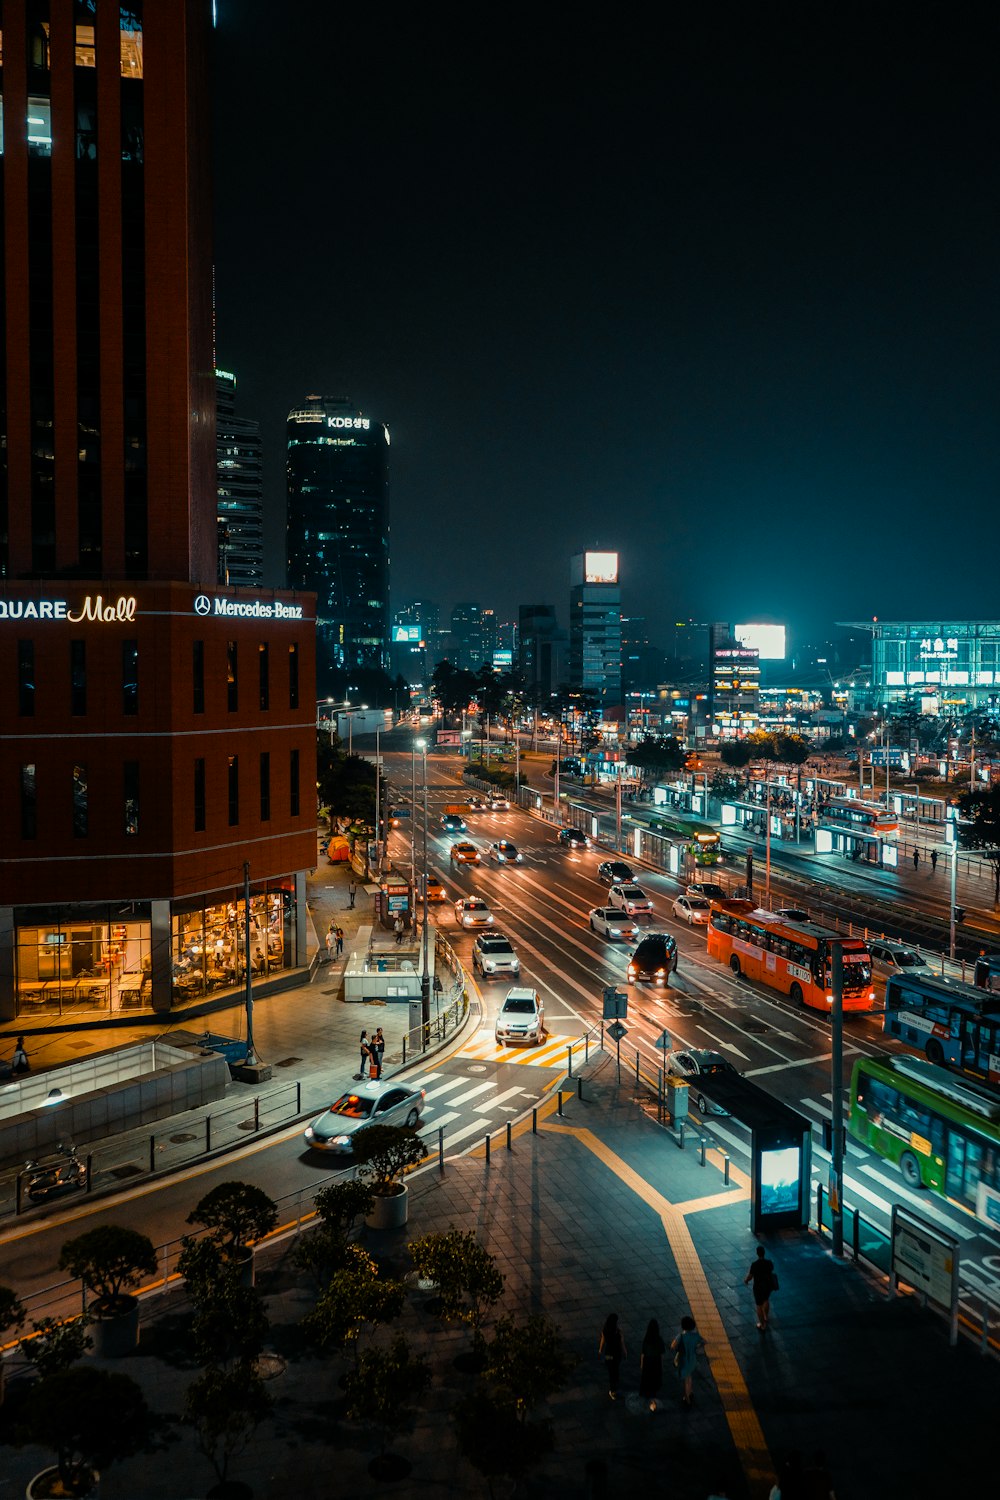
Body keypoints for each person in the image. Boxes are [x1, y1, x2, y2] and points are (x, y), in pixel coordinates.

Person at [671, 1314, 705, 1407]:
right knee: (689, 1377)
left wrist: (679, 1349)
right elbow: (703, 1342)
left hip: (684, 1361)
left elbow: (673, 1346)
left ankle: (687, 1399)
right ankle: (690, 1392)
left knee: (686, 1380)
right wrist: (696, 1347)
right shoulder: (696, 1335)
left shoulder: (681, 1336)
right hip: (692, 1360)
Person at [745, 1244, 776, 1331]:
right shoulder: (769, 1263)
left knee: (759, 1305)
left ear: (757, 1253)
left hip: (758, 1287)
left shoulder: (754, 1264)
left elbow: (750, 1276)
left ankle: (762, 1325)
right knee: (766, 1300)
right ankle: (766, 1317)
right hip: (767, 1285)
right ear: (764, 1253)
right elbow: (771, 1270)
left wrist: (746, 1280)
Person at [639, 1317, 665, 1410]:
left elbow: (643, 1354)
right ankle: (653, 1403)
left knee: (647, 1380)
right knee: (654, 1381)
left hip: (647, 1362)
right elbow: (661, 1355)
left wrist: (642, 1364)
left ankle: (647, 1396)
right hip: (656, 1362)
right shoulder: (659, 1340)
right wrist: (662, 1366)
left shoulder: (646, 1339)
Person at [598, 1312, 625, 1399]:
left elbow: (603, 1341)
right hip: (617, 1354)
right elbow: (622, 1344)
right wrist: (625, 1352)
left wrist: (600, 1350)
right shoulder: (618, 1332)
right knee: (615, 1369)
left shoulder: (605, 1330)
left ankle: (612, 1388)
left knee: (611, 1370)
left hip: (609, 1353)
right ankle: (615, 1385)